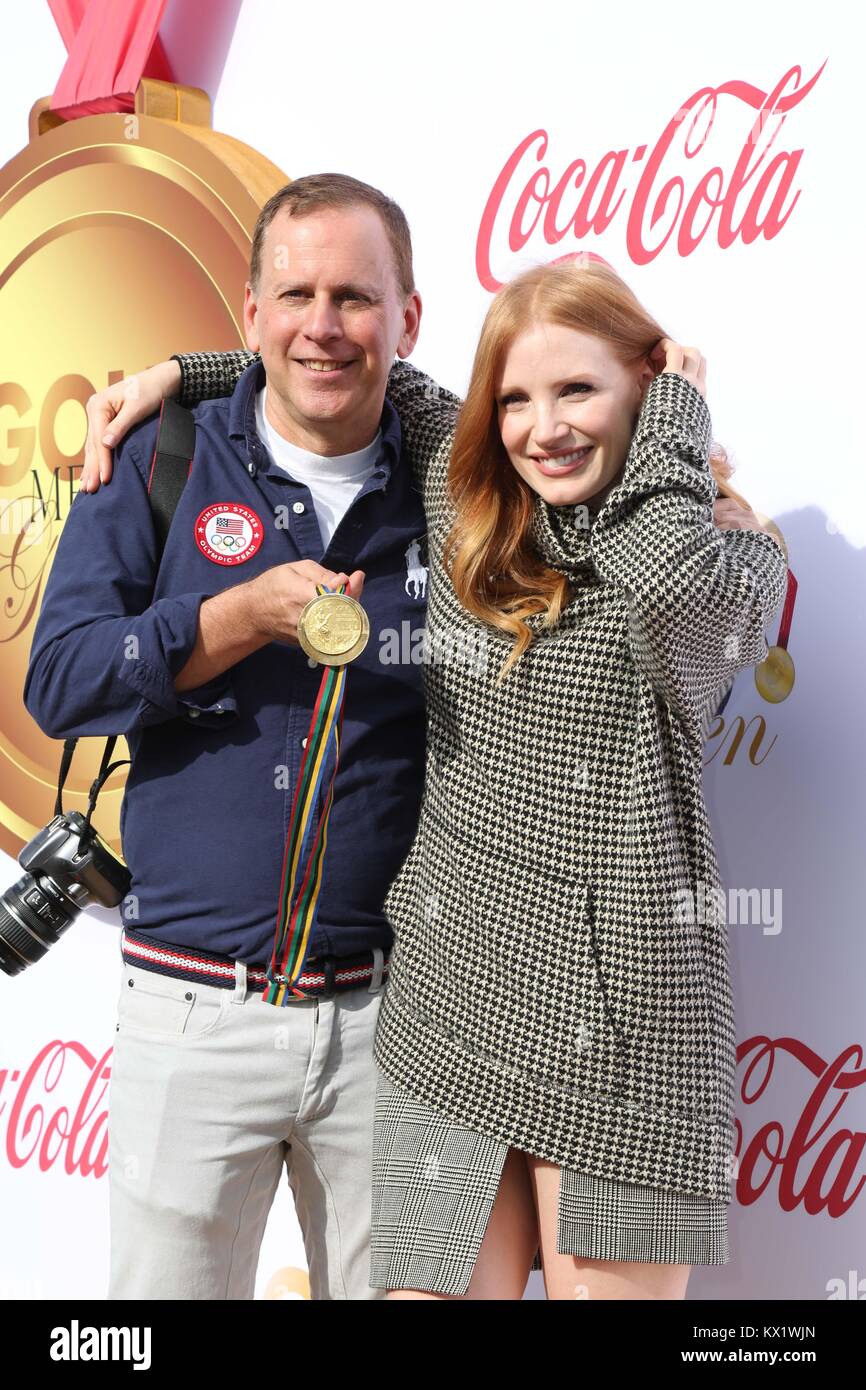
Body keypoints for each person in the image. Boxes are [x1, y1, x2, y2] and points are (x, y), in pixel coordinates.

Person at [80, 261, 788, 1300]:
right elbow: (347, 371)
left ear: (648, 385)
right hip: (447, 1004)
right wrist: (181, 374)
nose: (541, 426)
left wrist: (678, 413)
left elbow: (663, 587)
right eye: (513, 397)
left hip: (631, 1026)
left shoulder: (729, 560)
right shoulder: (467, 516)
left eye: (578, 390)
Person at [23, 172, 443, 1301]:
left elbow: (573, 425)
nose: (322, 325)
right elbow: (58, 681)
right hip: (189, 1012)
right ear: (248, 315)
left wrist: (715, 496)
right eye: (294, 293)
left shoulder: (462, 491)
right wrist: (228, 619)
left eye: (355, 297)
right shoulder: (163, 456)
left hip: (396, 1021)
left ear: (410, 318)